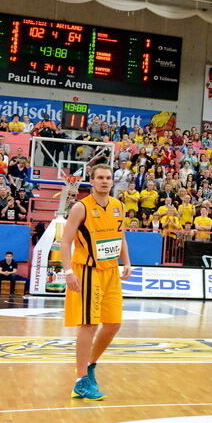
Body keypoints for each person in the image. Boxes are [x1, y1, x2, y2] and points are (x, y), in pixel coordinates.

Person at [60, 164, 132, 401]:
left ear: (112, 182)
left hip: (111, 270)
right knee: (89, 325)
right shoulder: (81, 208)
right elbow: (65, 241)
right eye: (100, 177)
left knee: (113, 324)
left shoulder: (118, 206)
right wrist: (68, 271)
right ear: (92, 181)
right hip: (88, 271)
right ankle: (81, 381)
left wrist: (127, 262)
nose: (104, 181)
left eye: (108, 178)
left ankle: (90, 365)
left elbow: (120, 236)